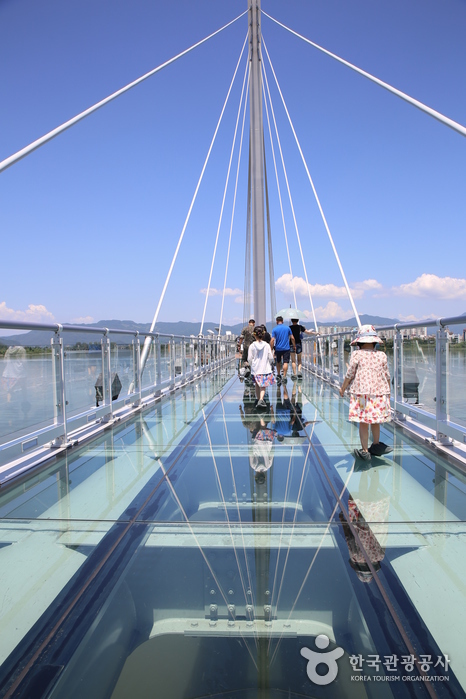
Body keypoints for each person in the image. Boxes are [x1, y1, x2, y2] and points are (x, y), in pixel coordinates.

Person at [339, 324, 392, 462]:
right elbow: (387, 375)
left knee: (363, 422)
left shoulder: (357, 354)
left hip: (361, 392)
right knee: (376, 421)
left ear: (359, 343)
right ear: (375, 342)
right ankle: (376, 444)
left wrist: (343, 388)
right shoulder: (382, 355)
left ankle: (365, 450)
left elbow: (350, 374)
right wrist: (389, 391)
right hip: (379, 392)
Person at [247, 326, 276, 409]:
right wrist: (270, 363)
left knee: (257, 383)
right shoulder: (266, 345)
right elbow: (270, 357)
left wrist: (252, 364)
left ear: (254, 335)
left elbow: (249, 358)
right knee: (263, 385)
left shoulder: (252, 346)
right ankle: (261, 399)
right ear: (263, 335)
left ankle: (258, 398)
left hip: (255, 369)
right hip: (264, 368)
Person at [271, 315, 295, 384]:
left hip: (278, 348)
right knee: (285, 362)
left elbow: (272, 340)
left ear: (276, 321)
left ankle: (278, 374)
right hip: (286, 348)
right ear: (283, 321)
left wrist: (271, 348)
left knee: (278, 362)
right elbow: (292, 338)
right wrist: (294, 345)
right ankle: (284, 376)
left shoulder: (274, 329)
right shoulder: (287, 328)